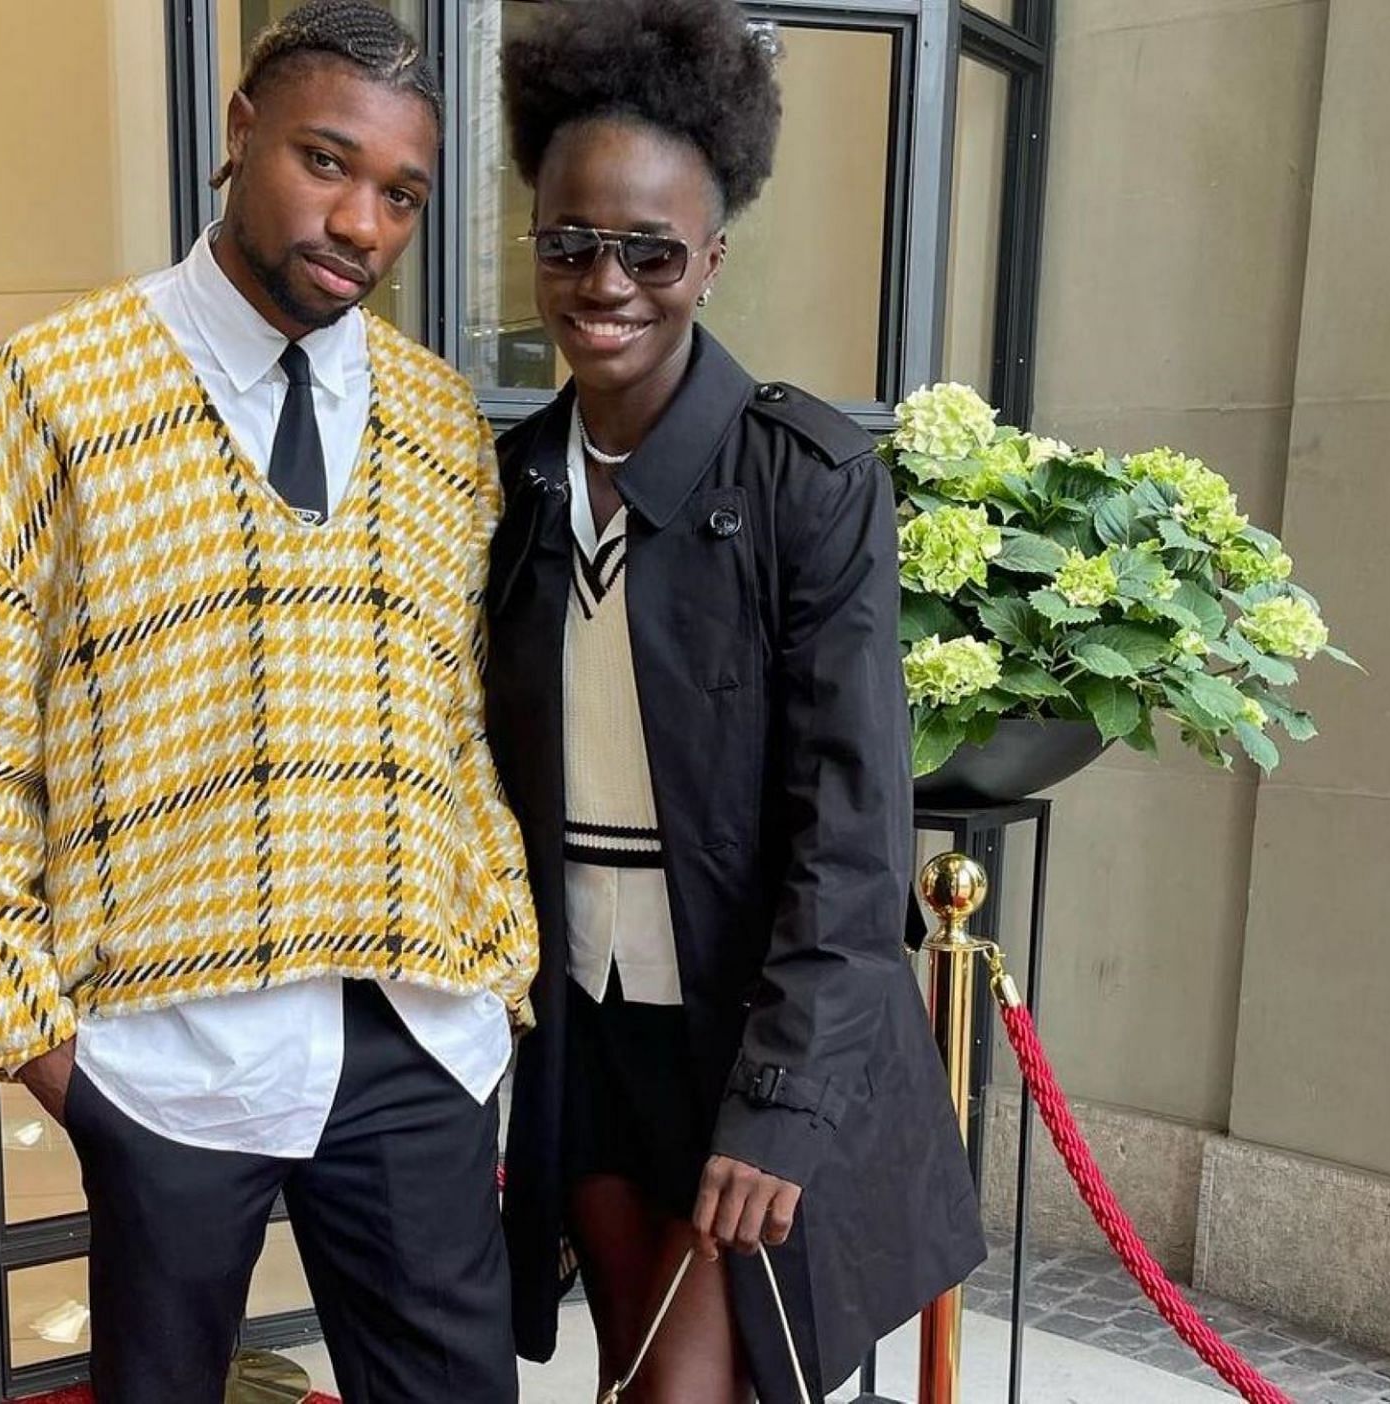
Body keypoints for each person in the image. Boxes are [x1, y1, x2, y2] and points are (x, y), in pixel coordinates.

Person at [0, 5, 536, 1401]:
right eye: (325, 160)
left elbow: (460, 725)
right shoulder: (45, 399)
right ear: (240, 132)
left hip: (416, 1034)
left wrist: (495, 962)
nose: (359, 221)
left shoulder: (439, 425)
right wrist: (50, 1057)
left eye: (401, 195)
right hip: (163, 1056)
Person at [487, 1, 987, 1399]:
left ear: (710, 258)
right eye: (571, 242)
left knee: (690, 1388)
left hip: (747, 1029)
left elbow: (851, 837)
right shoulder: (509, 483)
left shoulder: (807, 483)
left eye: (650, 250)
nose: (608, 282)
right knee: (625, 1366)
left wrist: (779, 1105)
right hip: (587, 1030)